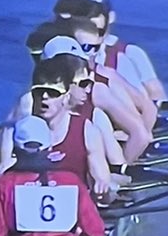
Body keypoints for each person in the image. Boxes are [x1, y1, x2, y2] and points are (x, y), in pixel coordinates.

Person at [0, 60, 111, 236]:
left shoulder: (86, 130)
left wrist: (103, 189)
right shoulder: (17, 132)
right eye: (39, 92)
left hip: (76, 218)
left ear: (66, 96)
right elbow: (4, 182)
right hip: (31, 229)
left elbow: (104, 190)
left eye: (52, 93)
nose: (44, 98)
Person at [14, 17, 153, 163]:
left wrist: (122, 168)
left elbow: (141, 135)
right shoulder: (30, 100)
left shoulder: (98, 97)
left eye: (84, 83)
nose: (84, 90)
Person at [53, 0, 168, 104]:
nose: (91, 18)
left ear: (110, 17)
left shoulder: (129, 54)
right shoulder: (68, 50)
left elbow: (155, 91)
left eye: (96, 13)